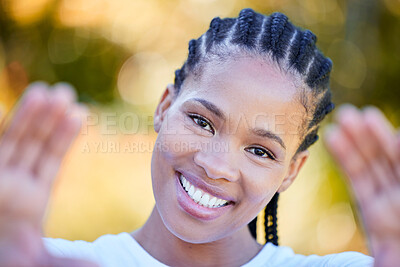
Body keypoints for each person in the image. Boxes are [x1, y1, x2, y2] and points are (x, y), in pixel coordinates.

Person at [0, 8, 399, 267]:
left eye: (260, 150)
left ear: (291, 171)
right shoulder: (46, 261)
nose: (216, 165)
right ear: (163, 107)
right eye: (202, 122)